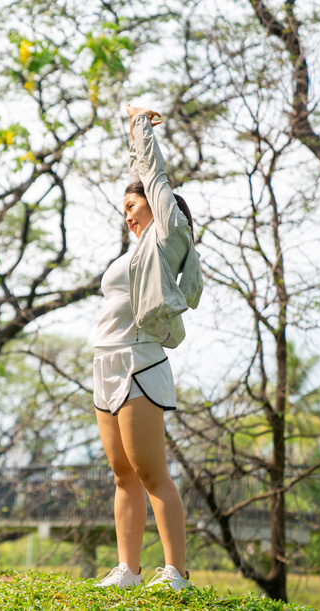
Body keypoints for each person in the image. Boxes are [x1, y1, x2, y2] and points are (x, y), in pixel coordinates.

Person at [92, 104, 203, 591]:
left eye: (132, 206)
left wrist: (139, 126)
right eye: (123, 209)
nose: (127, 215)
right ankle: (128, 571)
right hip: (105, 362)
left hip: (139, 361)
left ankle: (175, 573)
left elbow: (152, 174)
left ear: (157, 207)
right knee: (122, 474)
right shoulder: (135, 250)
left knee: (151, 471)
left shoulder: (166, 236)